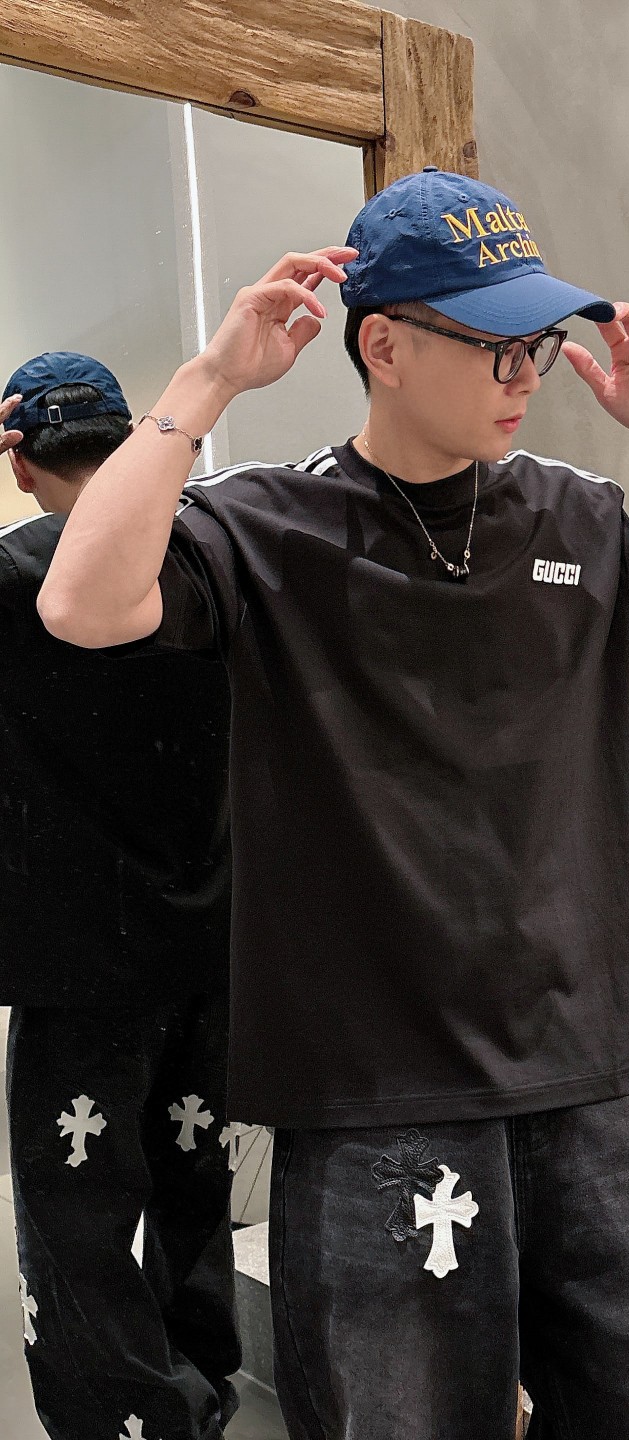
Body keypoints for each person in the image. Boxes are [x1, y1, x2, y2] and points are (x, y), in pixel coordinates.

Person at [38, 170, 629, 1440]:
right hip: (375, 1100)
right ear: (384, 347)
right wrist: (209, 381)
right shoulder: (271, 525)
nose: (524, 373)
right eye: (495, 344)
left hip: (590, 1082)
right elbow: (81, 605)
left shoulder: (576, 515)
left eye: (536, 343)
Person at [0, 354, 240, 1440]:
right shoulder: (206, 556)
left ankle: (128, 1425)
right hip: (212, 943)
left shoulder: (14, 577)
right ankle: (204, 1396)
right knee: (194, 1191)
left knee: (77, 1219)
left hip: (77, 967)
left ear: (22, 463)